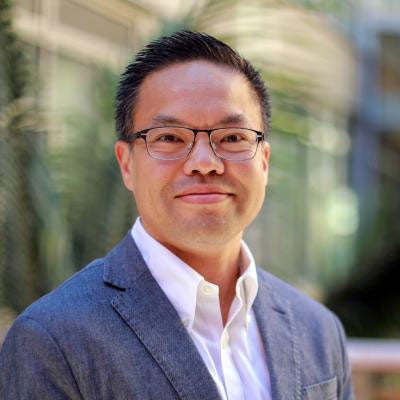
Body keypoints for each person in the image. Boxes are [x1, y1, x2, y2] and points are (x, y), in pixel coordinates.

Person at [0, 31, 354, 399]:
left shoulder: (318, 330)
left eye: (232, 137)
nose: (205, 163)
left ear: (264, 162)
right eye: (169, 137)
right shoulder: (53, 339)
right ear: (126, 164)